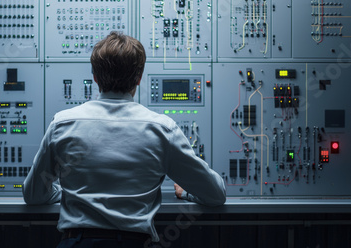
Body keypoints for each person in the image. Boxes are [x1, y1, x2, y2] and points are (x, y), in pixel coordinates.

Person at [23, 31, 226, 247]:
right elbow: (215, 194)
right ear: (139, 78)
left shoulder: (62, 124)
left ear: (95, 77)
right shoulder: (162, 129)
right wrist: (185, 192)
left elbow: (34, 194)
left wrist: (64, 194)